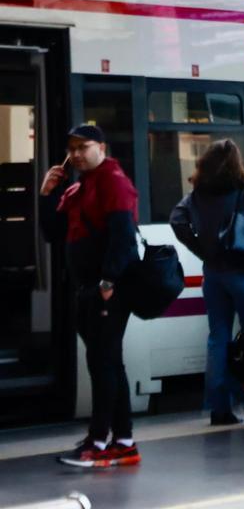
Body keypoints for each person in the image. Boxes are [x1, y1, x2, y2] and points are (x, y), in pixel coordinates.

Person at [39, 125, 141, 467]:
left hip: (107, 290)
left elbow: (123, 237)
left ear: (102, 146)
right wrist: (49, 193)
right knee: (107, 362)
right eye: (72, 148)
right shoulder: (80, 186)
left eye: (84, 146)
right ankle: (123, 441)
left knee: (103, 363)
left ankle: (99, 443)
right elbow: (54, 233)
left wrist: (108, 283)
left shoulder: (112, 181)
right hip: (89, 288)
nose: (77, 154)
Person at [169, 139, 244, 426]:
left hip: (213, 275)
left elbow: (177, 220)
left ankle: (220, 408)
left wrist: (201, 248)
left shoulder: (198, 194)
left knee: (218, 339)